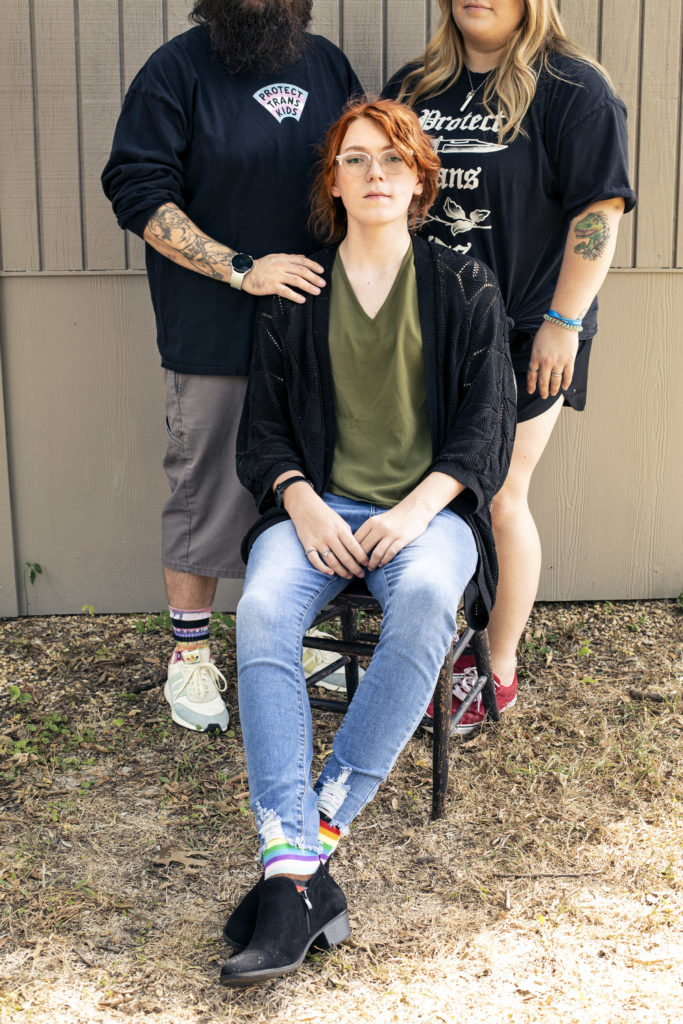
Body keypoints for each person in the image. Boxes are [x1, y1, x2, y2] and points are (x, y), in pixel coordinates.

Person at [218, 98, 516, 987]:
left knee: (426, 601)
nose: (375, 172)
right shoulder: (299, 290)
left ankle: (306, 849)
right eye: (356, 159)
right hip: (316, 508)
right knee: (264, 609)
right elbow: (262, 431)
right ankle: (294, 868)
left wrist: (415, 511)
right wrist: (303, 504)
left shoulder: (464, 282)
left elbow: (486, 429)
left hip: (428, 517)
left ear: (420, 178)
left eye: (392, 158)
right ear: (333, 181)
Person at [101, 0, 361, 733]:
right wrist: (241, 269)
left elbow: (364, 169)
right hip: (213, 329)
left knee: (315, 487)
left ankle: (306, 639)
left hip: (319, 329)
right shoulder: (175, 72)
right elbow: (138, 191)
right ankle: (189, 659)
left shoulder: (327, 65)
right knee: (206, 493)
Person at [382, 0, 636, 733]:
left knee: (497, 494)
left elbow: (600, 211)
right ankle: (431, 642)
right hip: (426, 327)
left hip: (529, 327)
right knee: (425, 488)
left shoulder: (571, 86)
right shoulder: (415, 85)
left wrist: (563, 322)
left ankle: (494, 666)